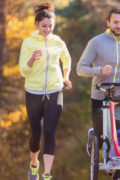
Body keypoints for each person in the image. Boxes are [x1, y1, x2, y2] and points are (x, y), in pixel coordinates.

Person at [76, 7, 120, 150]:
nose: (119, 25)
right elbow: (80, 69)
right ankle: (94, 135)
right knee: (101, 139)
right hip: (100, 92)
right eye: (116, 22)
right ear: (108, 23)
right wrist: (99, 70)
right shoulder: (96, 42)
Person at [19, 2, 72, 180]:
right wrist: (32, 59)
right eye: (44, 26)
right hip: (33, 93)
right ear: (37, 25)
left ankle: (47, 174)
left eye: (50, 26)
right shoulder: (28, 43)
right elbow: (23, 71)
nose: (48, 29)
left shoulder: (58, 41)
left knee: (50, 131)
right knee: (36, 133)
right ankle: (34, 163)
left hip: (55, 91)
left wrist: (66, 77)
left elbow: (67, 59)